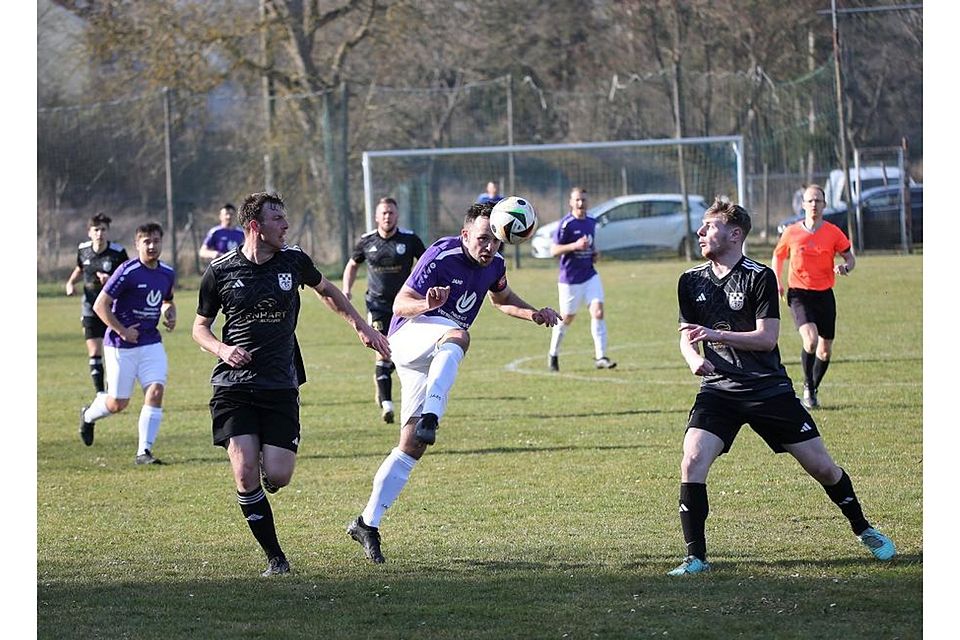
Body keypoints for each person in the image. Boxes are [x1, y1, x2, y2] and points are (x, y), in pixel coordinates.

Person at [669, 196, 894, 576]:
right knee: (692, 458)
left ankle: (863, 528)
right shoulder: (690, 280)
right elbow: (686, 336)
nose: (700, 231)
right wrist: (694, 359)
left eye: (710, 226)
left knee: (822, 468)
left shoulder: (759, 276)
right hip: (719, 389)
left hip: (767, 389)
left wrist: (715, 334)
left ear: (735, 234)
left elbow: (766, 339)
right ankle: (696, 558)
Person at [345, 201, 560, 564]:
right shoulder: (442, 254)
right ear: (465, 234)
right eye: (482, 238)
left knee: (411, 446)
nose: (489, 246)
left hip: (434, 352)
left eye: (495, 239)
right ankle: (432, 416)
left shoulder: (495, 264)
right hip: (409, 337)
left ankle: (367, 522)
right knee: (459, 335)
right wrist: (426, 304)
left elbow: (502, 298)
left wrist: (534, 314)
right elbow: (400, 304)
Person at [192, 191, 390, 578]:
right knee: (244, 472)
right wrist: (222, 349)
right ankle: (276, 559)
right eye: (277, 219)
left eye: (285, 218)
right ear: (255, 226)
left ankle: (266, 467)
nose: (285, 225)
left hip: (280, 382)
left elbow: (327, 291)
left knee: (279, 475)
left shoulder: (294, 261)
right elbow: (200, 327)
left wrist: (361, 327)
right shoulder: (220, 270)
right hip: (233, 386)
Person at [78, 222, 177, 466]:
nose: (152, 246)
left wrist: (169, 312)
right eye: (146, 241)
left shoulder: (167, 272)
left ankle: (144, 451)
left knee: (156, 391)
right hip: (120, 346)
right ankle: (88, 415)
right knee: (117, 403)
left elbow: (167, 300)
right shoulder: (127, 271)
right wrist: (122, 331)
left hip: (151, 342)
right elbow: (100, 305)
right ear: (137, 244)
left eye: (156, 241)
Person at [341, 197, 426, 423]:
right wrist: (346, 290)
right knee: (384, 350)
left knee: (403, 353)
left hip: (405, 306)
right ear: (377, 217)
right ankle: (387, 405)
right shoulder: (366, 241)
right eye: (384, 213)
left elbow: (426, 263)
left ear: (397, 216)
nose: (387, 216)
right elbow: (352, 265)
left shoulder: (409, 239)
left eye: (391, 212)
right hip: (377, 305)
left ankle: (381, 378)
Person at [772, 184, 856, 409]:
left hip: (825, 294)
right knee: (810, 340)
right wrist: (777, 281)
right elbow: (778, 256)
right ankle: (808, 387)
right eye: (809, 201)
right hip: (799, 294)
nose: (814, 205)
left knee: (825, 350)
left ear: (825, 204)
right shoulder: (791, 232)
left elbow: (850, 259)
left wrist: (845, 267)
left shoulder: (833, 232)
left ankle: (812, 389)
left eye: (818, 200)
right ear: (803, 205)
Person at [546, 187, 616, 371]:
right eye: (577, 200)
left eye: (583, 200)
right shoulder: (566, 224)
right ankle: (553, 353)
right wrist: (574, 246)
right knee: (567, 318)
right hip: (570, 279)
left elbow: (590, 245)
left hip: (589, 274)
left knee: (598, 312)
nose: (580, 203)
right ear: (571, 202)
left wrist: (594, 253)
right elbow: (554, 250)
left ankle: (601, 357)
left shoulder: (591, 221)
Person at [65, 213, 129, 394]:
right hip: (89, 308)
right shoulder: (83, 249)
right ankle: (100, 394)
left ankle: (113, 391)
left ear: (108, 232)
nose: (100, 233)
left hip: (112, 309)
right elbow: (80, 268)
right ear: (89, 232)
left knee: (113, 352)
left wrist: (111, 280)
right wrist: (70, 283)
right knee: (94, 352)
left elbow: (127, 277)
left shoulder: (118, 252)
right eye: (96, 230)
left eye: (103, 230)